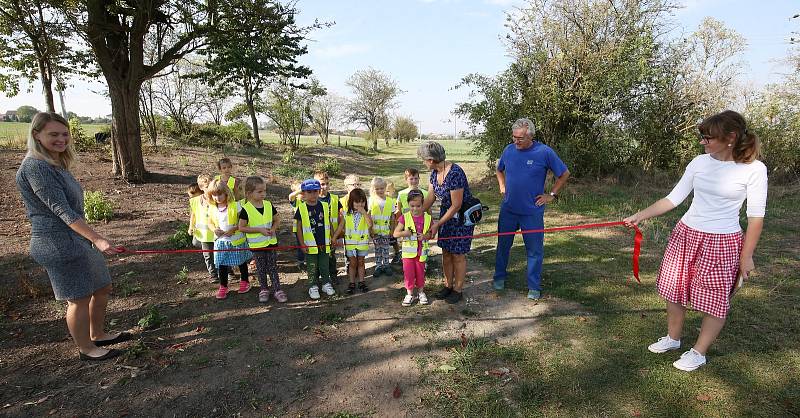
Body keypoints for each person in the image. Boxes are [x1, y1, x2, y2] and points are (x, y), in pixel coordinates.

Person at [623, 110, 767, 372]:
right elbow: (673, 198)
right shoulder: (699, 163)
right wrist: (639, 215)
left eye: (708, 138)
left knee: (714, 297)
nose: (703, 142)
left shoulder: (754, 170)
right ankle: (673, 338)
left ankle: (699, 352)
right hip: (686, 233)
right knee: (673, 287)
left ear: (731, 137)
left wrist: (746, 255)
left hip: (722, 241)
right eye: (702, 137)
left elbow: (756, 217)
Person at [15, 112, 128, 361]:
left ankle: (97, 334)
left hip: (76, 239)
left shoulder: (56, 164)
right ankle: (86, 349)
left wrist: (91, 238)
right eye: (53, 134)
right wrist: (98, 239)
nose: (61, 139)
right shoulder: (35, 167)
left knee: (102, 287)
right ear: (37, 135)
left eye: (64, 134)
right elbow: (61, 211)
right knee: (78, 297)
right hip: (55, 242)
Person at [493, 118, 570, 300]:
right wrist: (502, 184)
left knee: (534, 250)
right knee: (503, 245)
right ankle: (499, 278)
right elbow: (499, 169)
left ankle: (533, 287)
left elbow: (564, 173)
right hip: (509, 209)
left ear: (530, 136)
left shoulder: (544, 152)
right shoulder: (509, 150)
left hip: (532, 212)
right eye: (514, 137)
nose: (515, 141)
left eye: (520, 138)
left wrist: (551, 194)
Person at [418, 141, 469, 304]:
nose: (423, 163)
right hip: (445, 216)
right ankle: (448, 286)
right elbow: (431, 198)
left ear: (431, 160)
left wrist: (437, 224)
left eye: (423, 160)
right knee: (446, 252)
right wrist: (416, 215)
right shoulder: (434, 173)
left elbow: (456, 205)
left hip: (460, 218)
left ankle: (458, 289)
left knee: (457, 255)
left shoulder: (455, 173)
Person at [238, 176, 287, 303]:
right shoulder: (246, 209)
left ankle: (277, 289)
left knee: (272, 267)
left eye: (264, 191)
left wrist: (274, 228)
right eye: (259, 191)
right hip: (257, 246)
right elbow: (241, 227)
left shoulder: (268, 204)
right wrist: (259, 230)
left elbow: (277, 219)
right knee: (261, 268)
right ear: (249, 193)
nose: (263, 194)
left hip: (271, 243)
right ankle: (264, 289)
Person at [207, 179, 252, 299]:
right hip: (221, 242)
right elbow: (210, 222)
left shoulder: (235, 206)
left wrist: (235, 228)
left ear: (226, 193)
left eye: (220, 194)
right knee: (221, 264)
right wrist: (214, 229)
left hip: (236, 240)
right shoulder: (212, 208)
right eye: (214, 195)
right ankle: (223, 285)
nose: (217, 197)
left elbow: (243, 221)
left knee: (241, 262)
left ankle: (245, 281)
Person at [294, 179, 336, 300]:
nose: (313, 194)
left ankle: (326, 284)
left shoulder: (324, 205)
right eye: (309, 192)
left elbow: (329, 223)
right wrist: (302, 244)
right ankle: (312, 286)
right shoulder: (301, 208)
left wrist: (333, 238)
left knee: (324, 265)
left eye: (315, 191)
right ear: (304, 194)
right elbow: (299, 228)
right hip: (310, 244)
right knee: (312, 266)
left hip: (324, 243)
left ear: (319, 191)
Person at [393, 190, 433, 306]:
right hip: (408, 254)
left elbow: (431, 234)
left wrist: (425, 236)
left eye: (418, 206)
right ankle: (409, 293)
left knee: (420, 273)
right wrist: (405, 233)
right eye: (412, 206)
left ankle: (421, 292)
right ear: (408, 204)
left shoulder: (428, 218)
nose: (415, 209)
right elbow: (395, 234)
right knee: (409, 274)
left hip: (421, 253)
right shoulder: (404, 218)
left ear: (423, 204)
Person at [334, 188, 373, 294]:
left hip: (362, 243)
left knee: (361, 262)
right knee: (352, 263)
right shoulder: (346, 214)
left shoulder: (366, 213)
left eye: (362, 201)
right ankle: (351, 282)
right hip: (350, 244)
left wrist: (364, 213)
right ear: (351, 202)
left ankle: (362, 281)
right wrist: (334, 237)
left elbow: (370, 225)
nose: (360, 204)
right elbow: (340, 227)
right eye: (357, 202)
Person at [315, 170, 343, 285]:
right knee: (317, 257)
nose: (325, 186)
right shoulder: (312, 199)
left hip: (332, 234)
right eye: (322, 184)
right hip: (317, 234)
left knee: (331, 257)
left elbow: (342, 218)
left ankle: (333, 275)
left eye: (327, 183)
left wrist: (336, 235)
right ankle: (316, 278)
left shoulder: (335, 199)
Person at [189, 174, 218, 283]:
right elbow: (193, 214)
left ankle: (227, 272)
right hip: (204, 234)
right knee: (208, 256)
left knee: (221, 253)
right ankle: (213, 274)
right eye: (206, 186)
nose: (209, 188)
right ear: (201, 188)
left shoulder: (217, 197)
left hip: (217, 233)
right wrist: (191, 226)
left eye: (211, 185)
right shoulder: (195, 200)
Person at [369, 176, 397, 277]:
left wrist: (392, 230)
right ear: (373, 189)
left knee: (385, 248)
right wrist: (370, 230)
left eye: (381, 188)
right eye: (377, 189)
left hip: (386, 231)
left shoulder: (390, 201)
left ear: (385, 188)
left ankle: (386, 265)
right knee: (377, 249)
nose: (380, 190)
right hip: (375, 231)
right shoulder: (371, 200)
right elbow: (368, 216)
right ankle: (378, 266)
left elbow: (392, 217)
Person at [288, 181, 306, 270]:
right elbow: (290, 197)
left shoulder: (309, 200)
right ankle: (301, 262)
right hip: (298, 228)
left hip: (308, 227)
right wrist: (299, 190)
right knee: (300, 245)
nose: (302, 192)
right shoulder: (296, 201)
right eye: (300, 191)